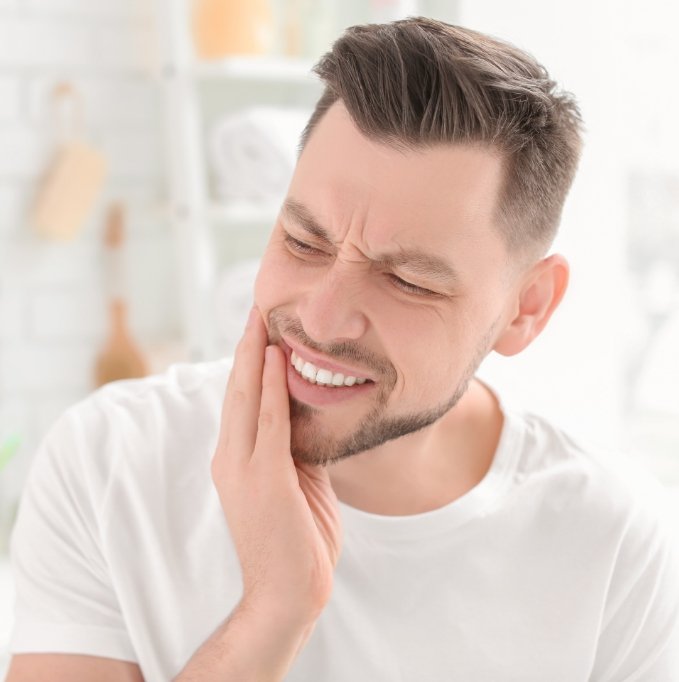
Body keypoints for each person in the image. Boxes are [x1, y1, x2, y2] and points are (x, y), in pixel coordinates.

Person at [6, 16, 679, 682]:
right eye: (303, 242)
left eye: (407, 280)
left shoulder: (614, 543)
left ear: (525, 309)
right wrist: (274, 612)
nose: (323, 319)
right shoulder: (109, 462)